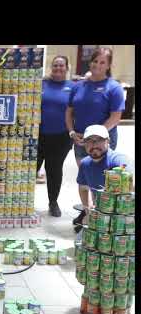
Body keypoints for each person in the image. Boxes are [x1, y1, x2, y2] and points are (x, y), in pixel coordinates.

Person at [66, 47, 125, 224]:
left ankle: (103, 213)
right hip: (80, 139)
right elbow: (69, 111)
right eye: (95, 61)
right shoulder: (78, 86)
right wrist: (71, 131)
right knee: (85, 175)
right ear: (90, 62)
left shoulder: (113, 88)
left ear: (108, 66)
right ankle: (87, 211)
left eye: (102, 62)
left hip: (102, 141)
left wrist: (96, 136)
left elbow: (116, 116)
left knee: (101, 177)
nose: (97, 65)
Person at [37, 56, 75, 217]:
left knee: (54, 170)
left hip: (61, 137)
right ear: (51, 67)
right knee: (29, 170)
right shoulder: (42, 84)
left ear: (67, 68)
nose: (58, 68)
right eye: (55, 65)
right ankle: (21, 203)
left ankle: (53, 202)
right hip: (37, 136)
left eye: (61, 65)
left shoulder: (73, 87)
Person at [76, 125, 133, 221]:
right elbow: (83, 188)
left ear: (108, 141)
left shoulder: (118, 160)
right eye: (89, 140)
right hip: (101, 216)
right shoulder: (85, 164)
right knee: (82, 233)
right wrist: (88, 210)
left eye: (99, 140)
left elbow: (132, 183)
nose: (94, 145)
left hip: (123, 217)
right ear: (84, 143)